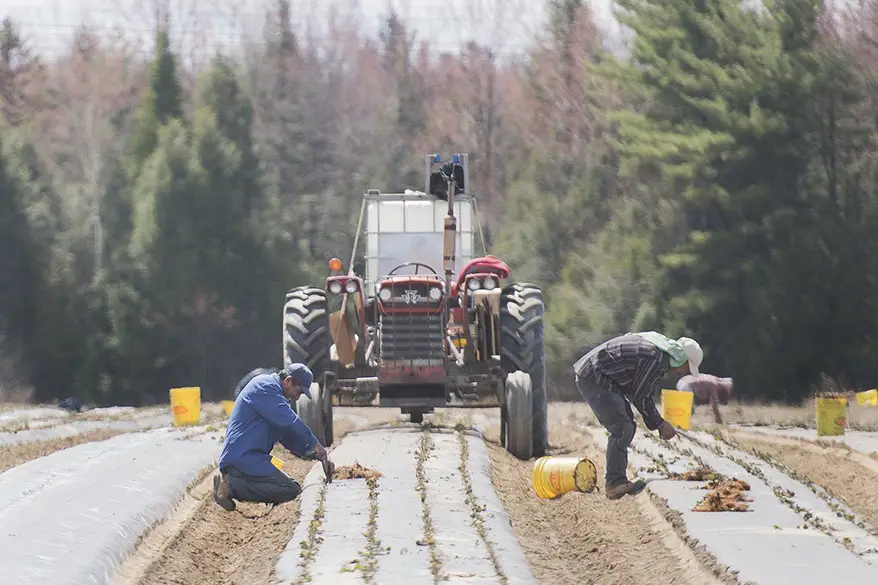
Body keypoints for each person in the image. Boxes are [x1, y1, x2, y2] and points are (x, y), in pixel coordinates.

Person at [573, 331, 703, 500]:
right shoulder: (654, 358)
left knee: (627, 423)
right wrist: (660, 424)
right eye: (686, 366)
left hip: (599, 375)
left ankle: (617, 479)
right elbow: (641, 396)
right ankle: (614, 482)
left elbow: (638, 390)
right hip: (595, 377)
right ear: (681, 358)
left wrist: (657, 422)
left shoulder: (655, 347)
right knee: (622, 426)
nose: (682, 371)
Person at [212, 363, 335, 512]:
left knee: (291, 487)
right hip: (242, 458)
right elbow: (292, 422)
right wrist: (318, 447)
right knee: (289, 489)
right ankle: (230, 487)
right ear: (288, 380)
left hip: (252, 458)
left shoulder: (275, 396)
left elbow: (287, 436)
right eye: (299, 391)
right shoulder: (265, 387)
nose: (298, 397)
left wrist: (313, 454)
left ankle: (234, 484)